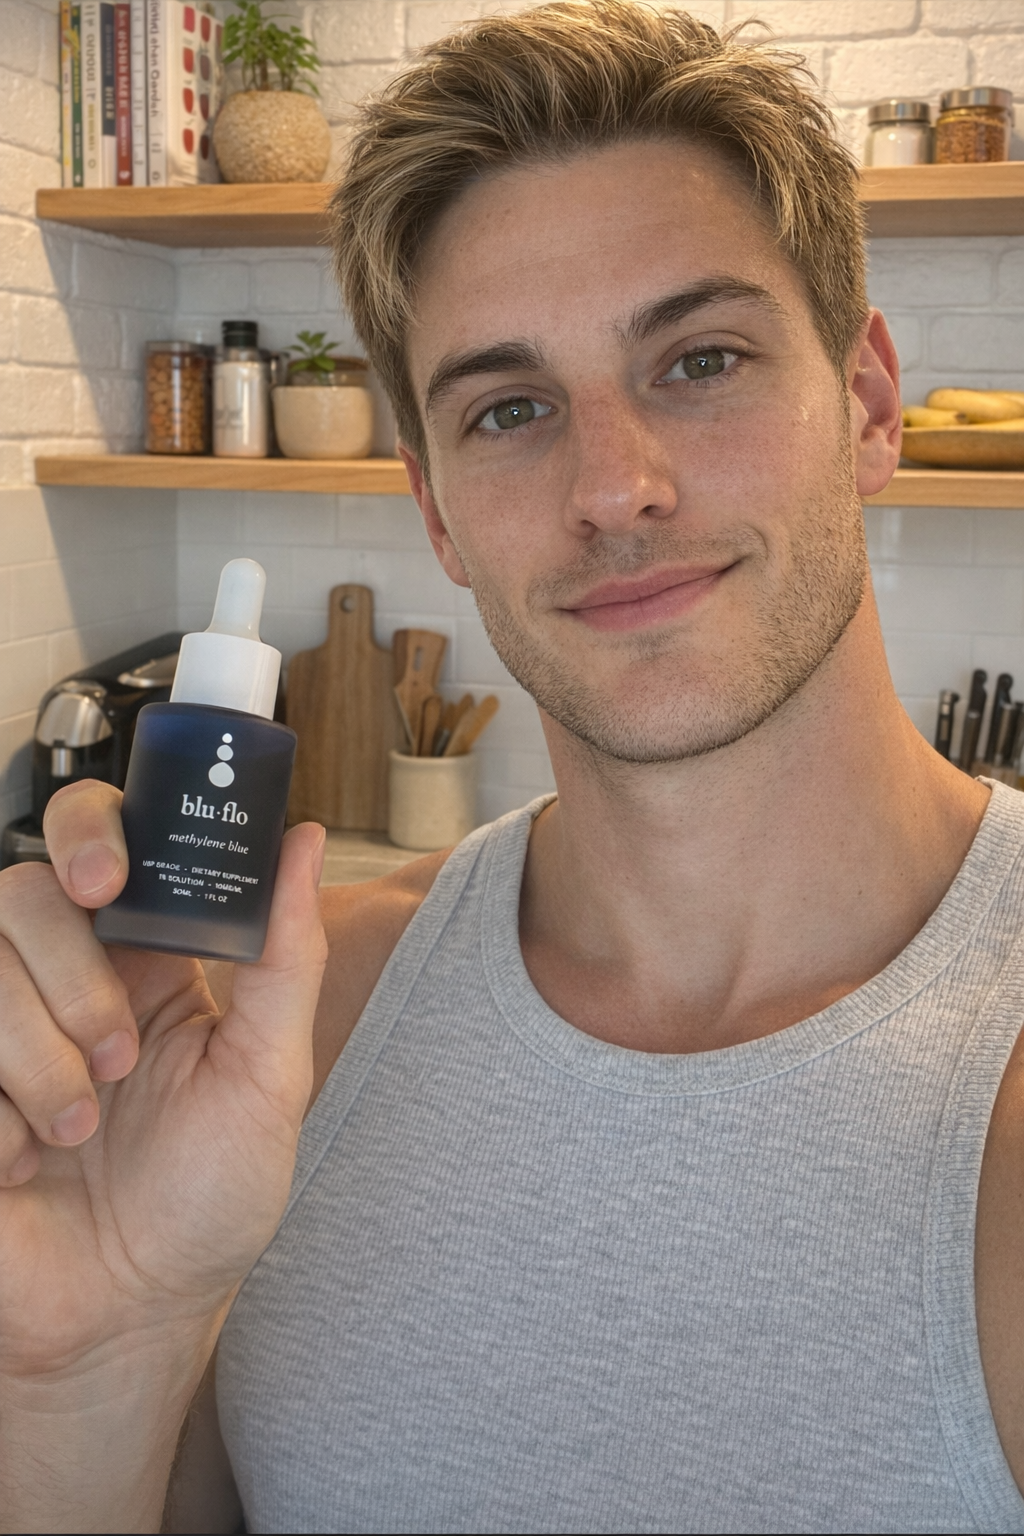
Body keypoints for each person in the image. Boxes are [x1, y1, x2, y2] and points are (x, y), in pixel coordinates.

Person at [2, 4, 1022, 1531]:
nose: (615, 486)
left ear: (867, 406)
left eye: (703, 359)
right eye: (512, 408)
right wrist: (85, 1364)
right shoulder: (286, 1038)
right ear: (438, 516)